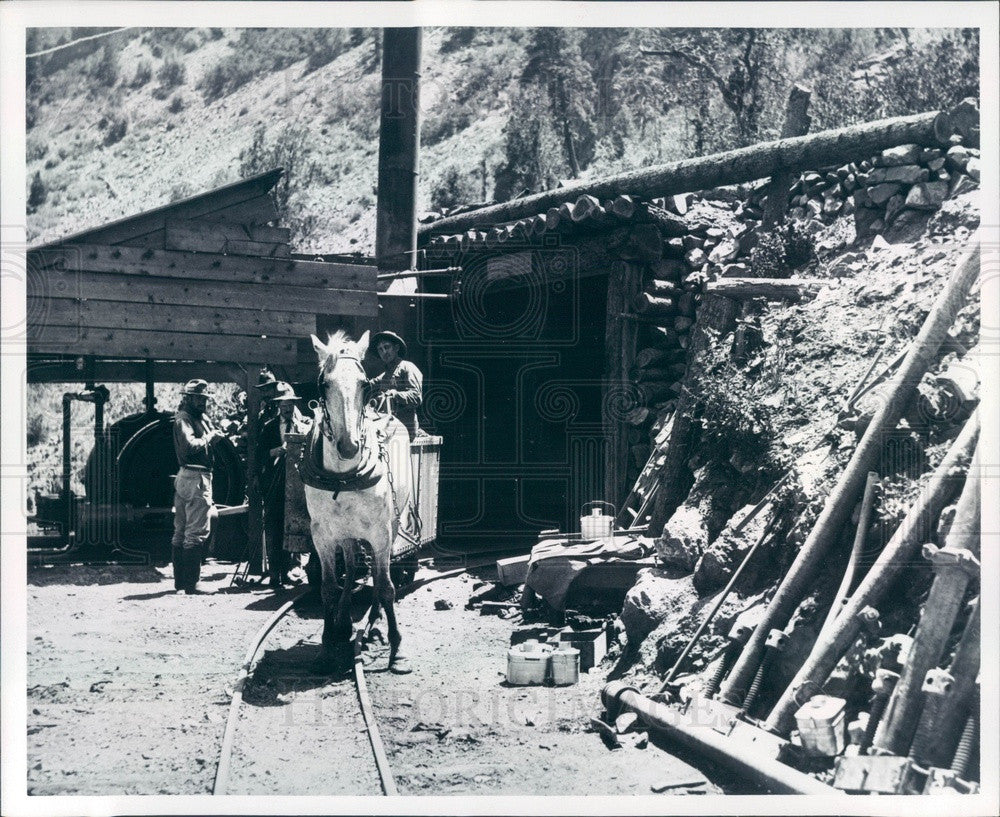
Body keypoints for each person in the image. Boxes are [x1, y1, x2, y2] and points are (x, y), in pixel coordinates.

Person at [171, 379, 222, 594]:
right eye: (198, 398)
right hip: (196, 478)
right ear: (188, 398)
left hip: (188, 477)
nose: (202, 402)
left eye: (204, 398)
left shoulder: (194, 418)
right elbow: (191, 446)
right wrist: (211, 437)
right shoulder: (185, 419)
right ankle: (192, 584)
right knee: (196, 531)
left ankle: (181, 583)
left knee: (181, 531)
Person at [270, 388, 312, 584]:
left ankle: (297, 568)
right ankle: (275, 572)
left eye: (290, 405)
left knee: (301, 525)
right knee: (277, 527)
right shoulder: (270, 427)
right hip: (277, 484)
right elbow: (261, 453)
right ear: (279, 406)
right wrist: (277, 451)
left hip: (299, 485)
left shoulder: (304, 426)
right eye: (284, 405)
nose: (287, 409)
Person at [368, 330, 423, 440]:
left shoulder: (407, 368)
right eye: (380, 349)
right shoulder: (384, 376)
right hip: (386, 429)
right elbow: (367, 385)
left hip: (404, 431)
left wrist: (395, 395)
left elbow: (416, 397)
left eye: (387, 347)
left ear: (396, 348)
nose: (384, 352)